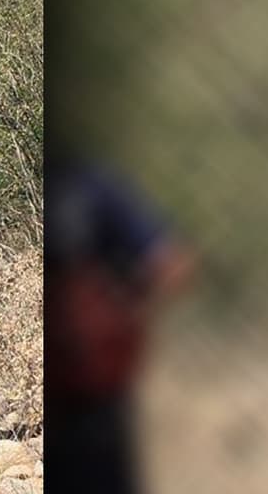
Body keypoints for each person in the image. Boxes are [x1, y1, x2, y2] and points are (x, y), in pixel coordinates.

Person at [46, 159, 192, 494]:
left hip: (90, 390)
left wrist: (115, 316)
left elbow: (173, 263)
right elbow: (173, 263)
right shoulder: (89, 183)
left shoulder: (89, 185)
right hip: (90, 390)